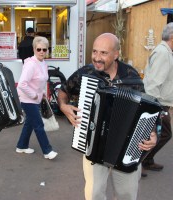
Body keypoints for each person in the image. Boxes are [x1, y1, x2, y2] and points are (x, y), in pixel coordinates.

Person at [58, 33, 158, 200]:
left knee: (127, 193)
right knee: (94, 193)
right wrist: (63, 106)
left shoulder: (131, 76)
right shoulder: (85, 73)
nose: (97, 58)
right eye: (94, 52)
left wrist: (153, 133)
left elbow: (146, 110)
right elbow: (63, 91)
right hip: (93, 142)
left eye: (103, 53)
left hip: (127, 146)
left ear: (116, 54)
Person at [142, 22, 173, 173]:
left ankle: (146, 160)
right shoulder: (162, 53)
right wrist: (156, 108)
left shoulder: (164, 52)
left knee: (157, 134)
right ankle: (141, 161)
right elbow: (153, 84)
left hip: (160, 103)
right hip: (158, 104)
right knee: (163, 134)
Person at [16, 36, 58, 160]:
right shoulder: (30, 65)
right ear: (34, 49)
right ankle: (47, 151)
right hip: (28, 99)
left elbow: (42, 81)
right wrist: (34, 95)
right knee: (38, 124)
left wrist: (43, 93)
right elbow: (22, 84)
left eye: (44, 50)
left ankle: (21, 146)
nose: (41, 52)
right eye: (39, 49)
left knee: (29, 123)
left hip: (37, 98)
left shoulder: (43, 63)